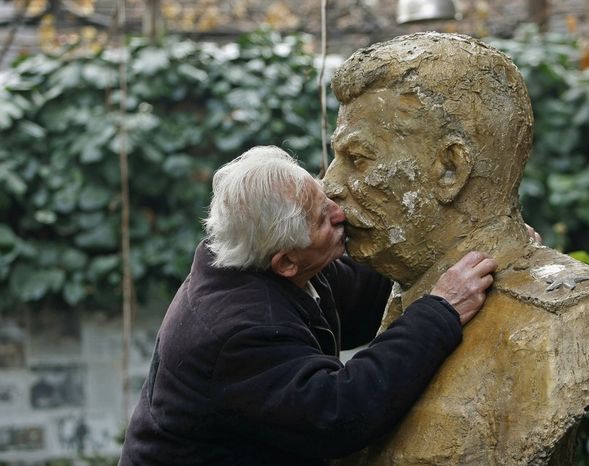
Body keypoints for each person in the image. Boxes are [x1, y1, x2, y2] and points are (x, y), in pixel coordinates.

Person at [323, 32, 589, 465]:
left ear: (450, 169)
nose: (329, 184)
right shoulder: (405, 288)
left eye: (359, 158)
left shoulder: (573, 319)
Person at [118, 145, 498, 466]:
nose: (341, 214)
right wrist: (441, 309)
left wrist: (459, 253)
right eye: (323, 219)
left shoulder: (269, 263)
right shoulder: (239, 334)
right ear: (285, 262)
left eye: (323, 196)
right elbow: (341, 412)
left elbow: (365, 298)